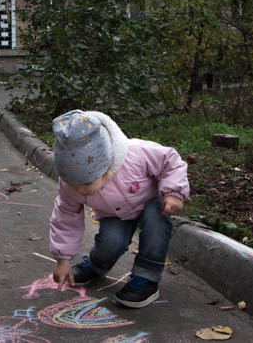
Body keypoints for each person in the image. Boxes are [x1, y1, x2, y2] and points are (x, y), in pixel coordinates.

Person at [48, 110, 190, 308]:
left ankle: (146, 278)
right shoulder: (70, 185)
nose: (79, 189)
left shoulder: (136, 154)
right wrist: (62, 259)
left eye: (86, 183)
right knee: (110, 242)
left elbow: (171, 161)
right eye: (73, 183)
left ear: (106, 167)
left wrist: (174, 193)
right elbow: (66, 217)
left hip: (153, 203)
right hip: (114, 214)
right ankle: (96, 265)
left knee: (155, 222)